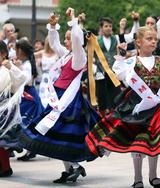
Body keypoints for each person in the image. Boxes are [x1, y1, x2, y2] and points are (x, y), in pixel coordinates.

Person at [86, 26, 160, 188]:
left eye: (155, 39)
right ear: (138, 43)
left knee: (154, 142)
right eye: (149, 38)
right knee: (138, 143)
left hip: (157, 106)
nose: (153, 41)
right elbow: (118, 74)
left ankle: (153, 177)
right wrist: (120, 55)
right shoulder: (131, 61)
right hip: (137, 106)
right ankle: (137, 179)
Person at [19, 7, 100, 183]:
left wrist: (73, 22)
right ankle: (69, 169)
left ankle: (76, 167)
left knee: (62, 133)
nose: (66, 40)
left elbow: (78, 42)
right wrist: (53, 27)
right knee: (56, 135)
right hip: (59, 96)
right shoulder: (67, 55)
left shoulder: (80, 57)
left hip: (69, 101)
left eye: (68, 38)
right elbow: (55, 45)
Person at [94, 15, 139, 117]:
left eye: (110, 26)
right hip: (100, 72)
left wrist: (135, 22)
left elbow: (133, 35)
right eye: (106, 26)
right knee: (102, 98)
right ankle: (101, 119)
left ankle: (113, 117)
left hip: (114, 72)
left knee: (115, 96)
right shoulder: (95, 40)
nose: (109, 28)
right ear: (101, 28)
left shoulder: (117, 38)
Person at [0, 41, 27, 177]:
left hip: (5, 112)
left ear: (3, 54)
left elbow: (22, 79)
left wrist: (11, 66)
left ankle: (5, 168)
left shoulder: (8, 70)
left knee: (3, 142)